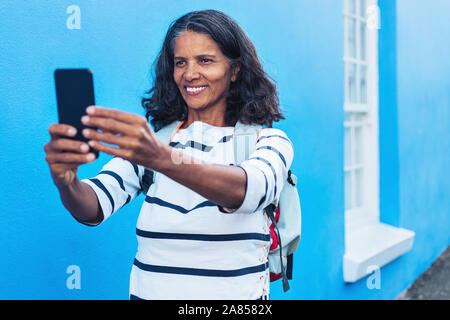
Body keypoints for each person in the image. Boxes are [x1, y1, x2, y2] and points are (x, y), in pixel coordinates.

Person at [44, 9, 294, 300]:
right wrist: (67, 182)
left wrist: (162, 159)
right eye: (180, 62)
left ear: (235, 70)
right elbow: (93, 206)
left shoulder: (266, 141)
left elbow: (248, 190)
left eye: (205, 60)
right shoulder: (159, 142)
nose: (190, 74)